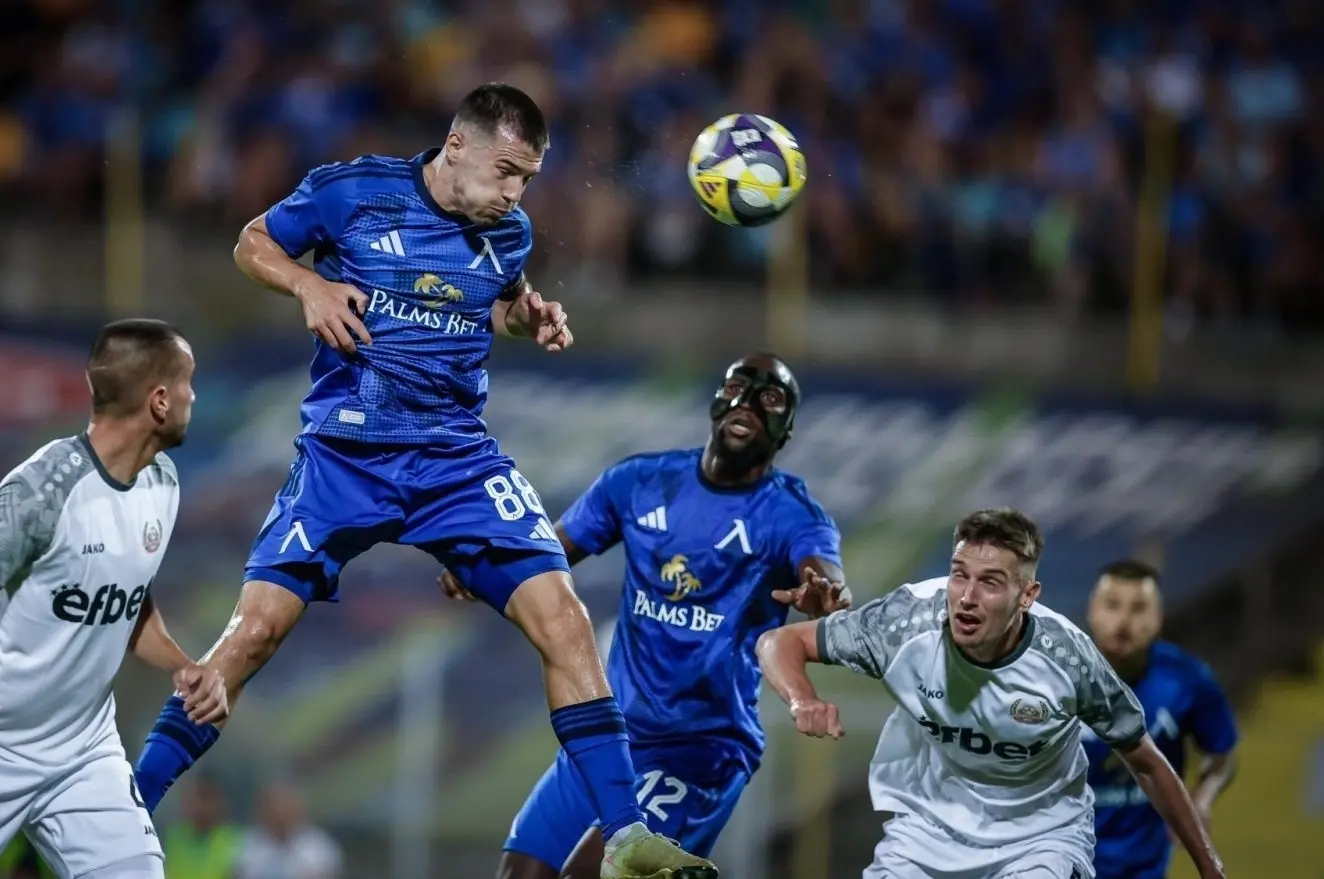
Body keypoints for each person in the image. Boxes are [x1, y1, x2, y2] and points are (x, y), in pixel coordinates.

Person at [129, 83, 715, 879]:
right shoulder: (354, 193)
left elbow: (496, 299)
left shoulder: (508, 232)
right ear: (458, 145)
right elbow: (251, 241)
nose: (515, 193)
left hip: (456, 462)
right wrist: (307, 284)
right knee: (251, 635)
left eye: (528, 178)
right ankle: (126, 808)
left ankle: (626, 836)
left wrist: (528, 315)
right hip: (346, 454)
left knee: (565, 619)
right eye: (506, 171)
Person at [439, 353, 850, 879]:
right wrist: (482, 565)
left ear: (786, 428)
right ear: (716, 402)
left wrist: (823, 590)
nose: (747, 401)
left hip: (698, 751)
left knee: (594, 875)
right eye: (737, 387)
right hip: (608, 738)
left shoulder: (791, 514)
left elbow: (824, 573)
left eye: (770, 397)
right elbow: (547, 554)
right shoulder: (638, 482)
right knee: (520, 874)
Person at [0, 319, 228, 879]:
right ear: (160, 400)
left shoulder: (162, 482)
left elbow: (125, 596)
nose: (194, 397)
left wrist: (181, 664)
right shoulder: (40, 492)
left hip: (85, 756)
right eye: (188, 382)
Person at [755, 508, 1227, 879]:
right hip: (926, 833)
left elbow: (1146, 761)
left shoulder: (1068, 660)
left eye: (990, 583)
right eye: (959, 574)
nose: (966, 596)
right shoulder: (906, 624)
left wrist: (1209, 866)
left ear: (1027, 595)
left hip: (1039, 840)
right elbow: (778, 642)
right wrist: (802, 699)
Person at [1083, 560, 1239, 878]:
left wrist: (1202, 798)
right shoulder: (1055, 677)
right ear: (1092, 612)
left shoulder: (1187, 680)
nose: (1123, 621)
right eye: (1112, 605)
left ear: (1158, 618)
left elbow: (1222, 753)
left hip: (1143, 868)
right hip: (1062, 860)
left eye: (1139, 609)